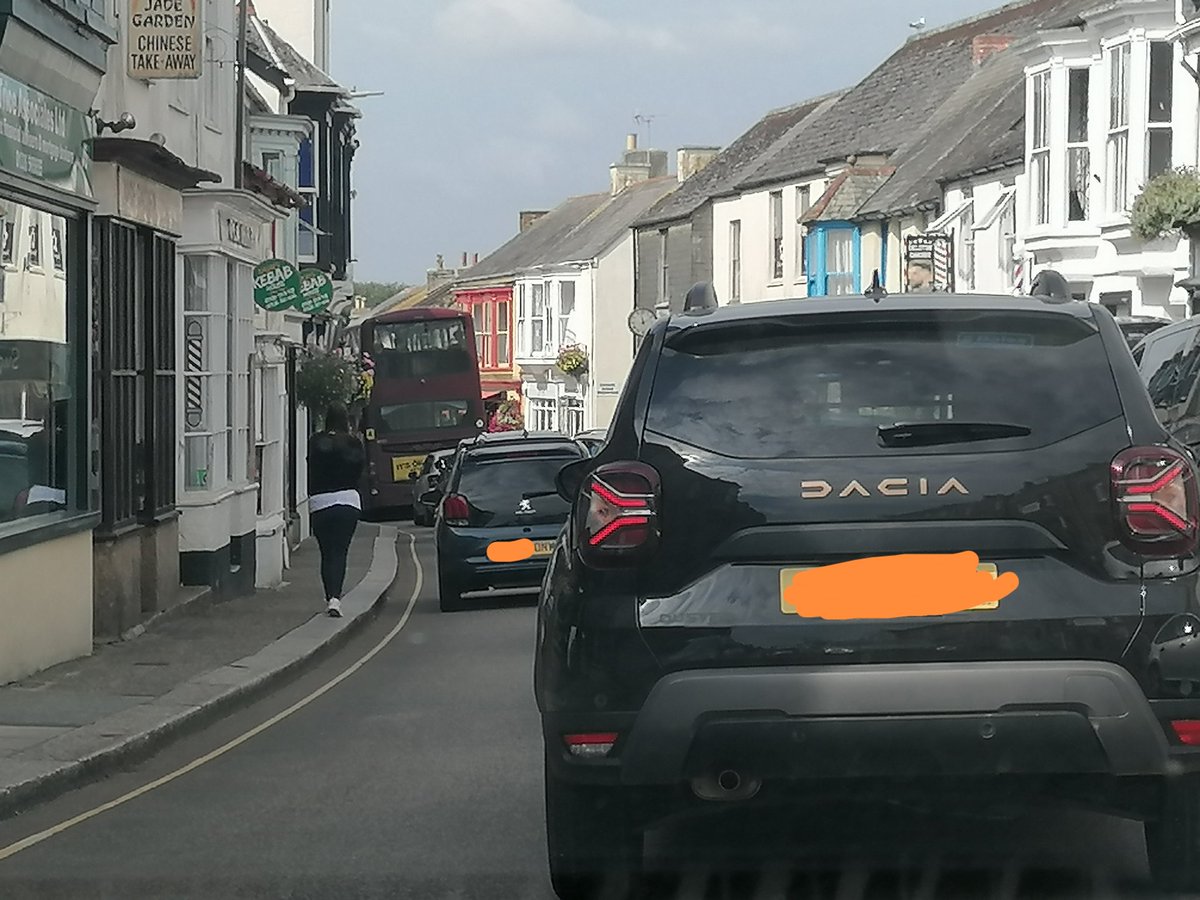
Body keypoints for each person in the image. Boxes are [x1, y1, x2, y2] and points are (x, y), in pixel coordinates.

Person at [308, 404, 366, 617]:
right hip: (349, 501)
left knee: (326, 553)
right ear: (346, 421)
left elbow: (311, 466)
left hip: (320, 502)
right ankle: (335, 599)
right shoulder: (353, 443)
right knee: (340, 552)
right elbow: (360, 470)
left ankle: (329, 596)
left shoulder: (315, 441)